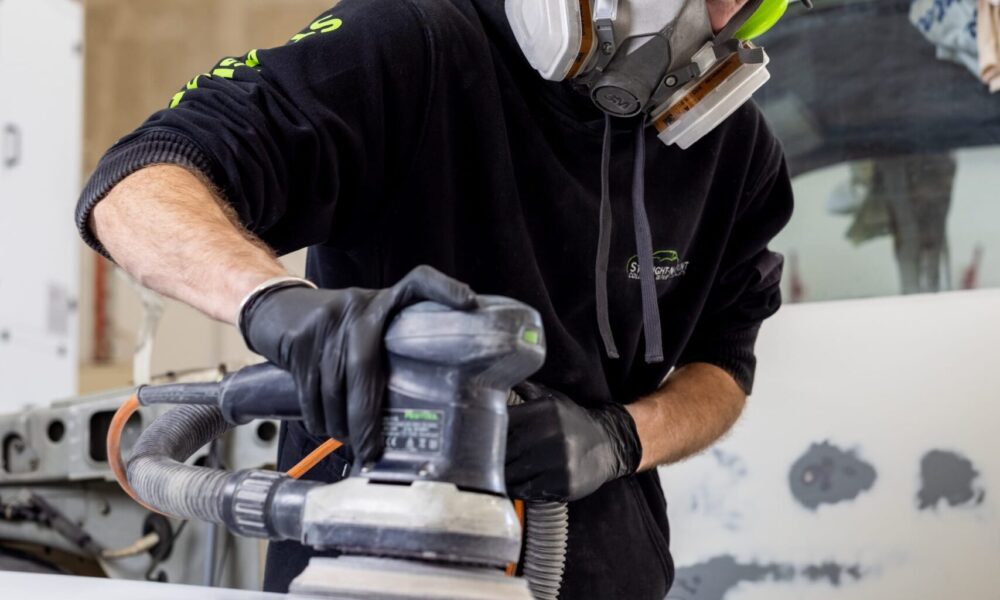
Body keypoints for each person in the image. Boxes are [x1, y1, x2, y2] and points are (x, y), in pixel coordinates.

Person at [76, 0, 795, 597]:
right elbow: (138, 183)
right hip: (363, 559)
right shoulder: (412, 41)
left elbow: (725, 369)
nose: (718, 15)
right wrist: (276, 306)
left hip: (604, 574)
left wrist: (621, 439)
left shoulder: (738, 155)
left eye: (751, 1)